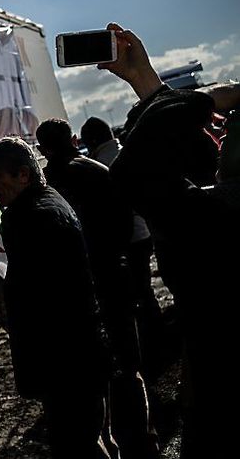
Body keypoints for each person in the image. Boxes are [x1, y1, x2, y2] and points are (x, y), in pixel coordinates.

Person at [99, 23, 240, 459]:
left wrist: (201, 100)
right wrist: (147, 83)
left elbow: (134, 174)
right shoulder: (218, 204)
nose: (224, 126)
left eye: (234, 124)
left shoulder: (220, 214)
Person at [0, 137, 117, 459]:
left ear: (23, 175)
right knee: (95, 437)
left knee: (77, 444)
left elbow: (39, 300)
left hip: (64, 357)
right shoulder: (49, 201)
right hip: (82, 350)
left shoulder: (28, 217)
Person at [36, 119, 159, 459]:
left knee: (90, 377)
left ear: (44, 149)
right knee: (128, 365)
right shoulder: (98, 172)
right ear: (73, 140)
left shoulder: (45, 185)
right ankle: (143, 440)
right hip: (111, 274)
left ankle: (107, 444)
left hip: (73, 290)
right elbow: (123, 223)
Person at [79, 117, 165, 381]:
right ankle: (158, 335)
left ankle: (149, 343)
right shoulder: (126, 153)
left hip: (128, 236)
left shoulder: (101, 166)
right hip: (145, 230)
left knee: (136, 292)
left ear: (91, 141)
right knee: (144, 289)